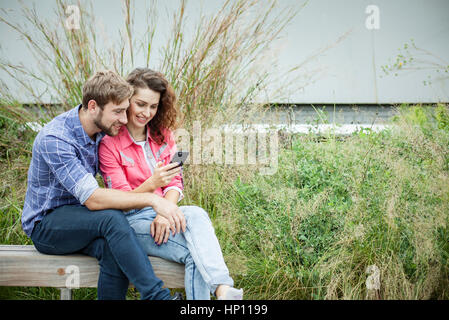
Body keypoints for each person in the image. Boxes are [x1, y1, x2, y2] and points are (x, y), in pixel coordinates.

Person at [21, 70, 185, 300]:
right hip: (47, 225)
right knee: (111, 218)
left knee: (113, 249)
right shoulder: (56, 139)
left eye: (124, 110)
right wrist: (152, 198)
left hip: (82, 220)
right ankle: (158, 297)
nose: (124, 120)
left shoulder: (101, 131)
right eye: (118, 112)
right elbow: (94, 199)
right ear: (92, 106)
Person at [98, 68, 244, 300]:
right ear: (127, 101)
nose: (147, 112)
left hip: (164, 215)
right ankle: (222, 290)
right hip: (132, 223)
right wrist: (152, 183)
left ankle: (222, 289)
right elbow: (122, 201)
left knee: (196, 213)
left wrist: (165, 213)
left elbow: (175, 181)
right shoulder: (109, 144)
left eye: (153, 106)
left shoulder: (164, 135)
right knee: (195, 255)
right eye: (140, 104)